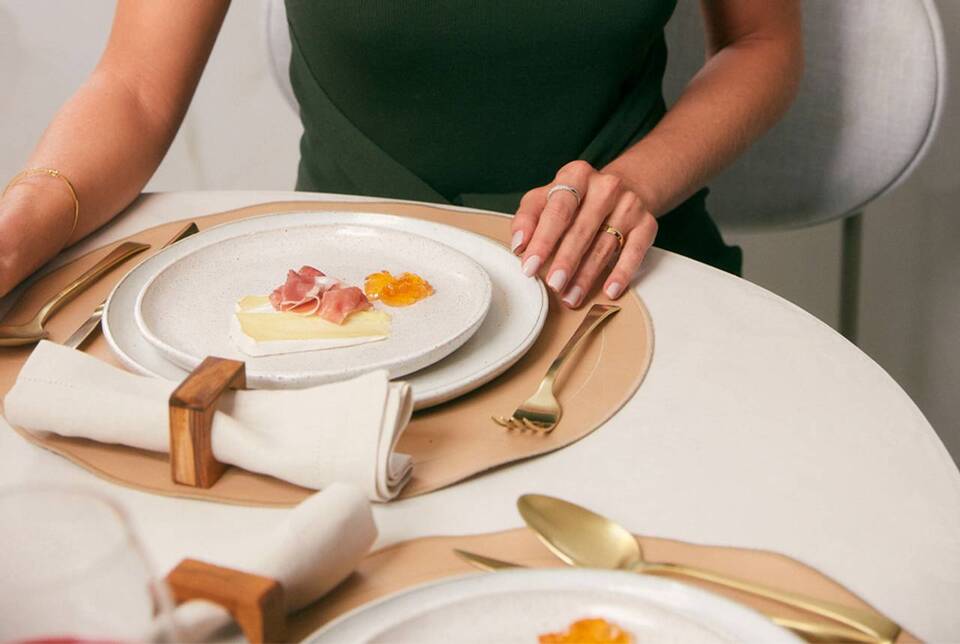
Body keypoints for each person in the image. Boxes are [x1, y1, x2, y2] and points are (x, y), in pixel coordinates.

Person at [0, 1, 802, 307]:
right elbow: (135, 87)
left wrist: (638, 181)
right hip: (350, 292)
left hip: (613, 276)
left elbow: (763, 42)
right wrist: (21, 223)